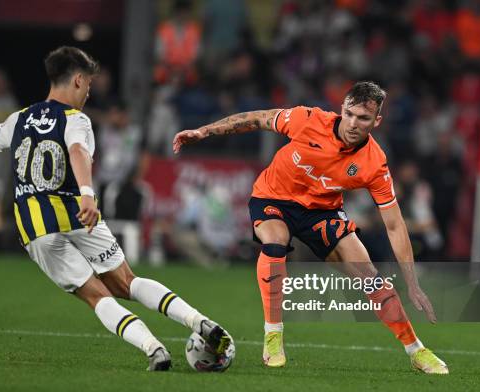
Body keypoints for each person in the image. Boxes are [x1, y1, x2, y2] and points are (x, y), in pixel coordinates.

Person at [0, 46, 231, 371]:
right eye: (89, 85)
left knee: (98, 296)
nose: (89, 92)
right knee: (128, 282)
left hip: (37, 227)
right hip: (79, 213)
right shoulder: (75, 120)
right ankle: (198, 320)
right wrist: (88, 195)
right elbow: (78, 152)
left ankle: (154, 349)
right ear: (77, 80)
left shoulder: (19, 118)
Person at [173, 81, 448, 374]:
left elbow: (394, 225)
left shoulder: (375, 163)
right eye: (350, 114)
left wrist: (414, 284)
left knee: (370, 278)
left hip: (322, 211)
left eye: (364, 118)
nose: (353, 123)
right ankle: (273, 334)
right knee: (275, 242)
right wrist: (204, 131)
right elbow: (257, 118)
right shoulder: (308, 120)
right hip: (274, 197)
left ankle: (416, 350)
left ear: (376, 121)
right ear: (342, 109)